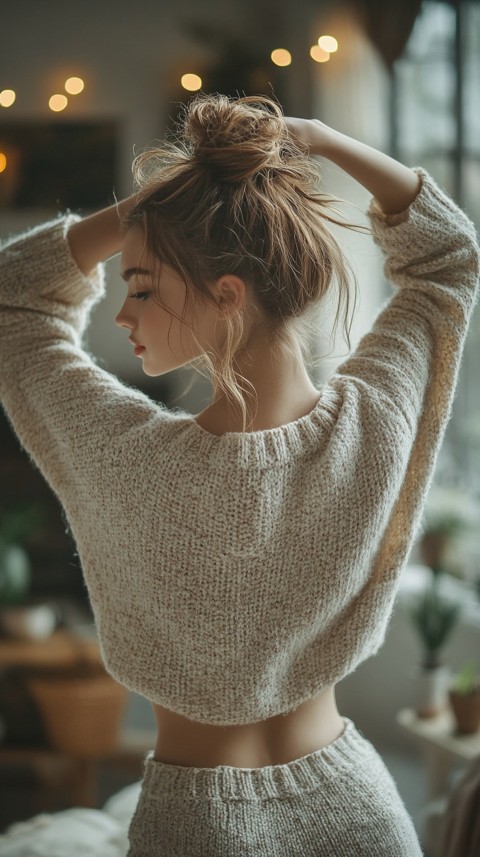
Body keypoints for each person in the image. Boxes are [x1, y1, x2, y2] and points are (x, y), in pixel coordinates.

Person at [0, 93, 478, 857]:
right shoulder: (374, 423)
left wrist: (159, 201)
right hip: (361, 815)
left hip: (194, 827)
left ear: (228, 293)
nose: (123, 314)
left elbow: (12, 297)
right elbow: (448, 254)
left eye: (143, 286)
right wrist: (321, 141)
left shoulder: (127, 458)